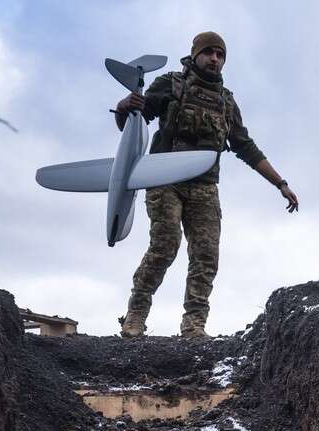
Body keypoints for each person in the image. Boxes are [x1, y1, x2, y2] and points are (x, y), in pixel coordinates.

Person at [112, 31, 298, 338]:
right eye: (210, 52)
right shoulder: (171, 85)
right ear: (196, 54)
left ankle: (194, 325)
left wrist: (280, 183)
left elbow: (245, 146)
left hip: (204, 186)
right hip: (164, 179)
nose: (215, 59)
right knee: (165, 246)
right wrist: (123, 107)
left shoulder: (226, 102)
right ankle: (134, 316)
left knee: (206, 255)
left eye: (221, 55)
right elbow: (132, 126)